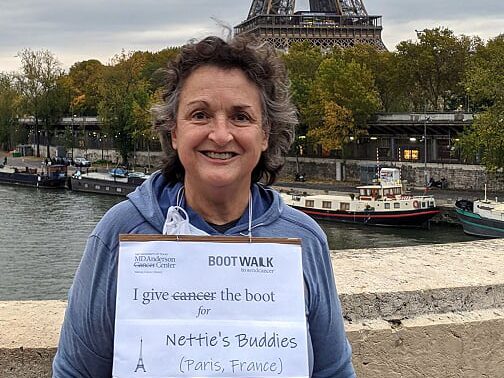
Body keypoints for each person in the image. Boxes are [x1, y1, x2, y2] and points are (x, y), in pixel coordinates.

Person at [53, 35, 355, 377]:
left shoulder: (306, 240)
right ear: (174, 132)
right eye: (200, 115)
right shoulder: (120, 230)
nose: (221, 134)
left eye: (241, 117)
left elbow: (334, 372)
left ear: (266, 134)